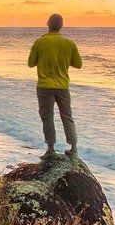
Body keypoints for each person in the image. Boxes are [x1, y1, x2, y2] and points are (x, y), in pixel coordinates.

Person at [27, 13, 82, 158]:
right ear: (61, 26)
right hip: (63, 86)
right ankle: (74, 147)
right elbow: (78, 64)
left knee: (47, 117)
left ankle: (51, 148)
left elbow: (31, 63)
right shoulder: (69, 43)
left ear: (47, 24)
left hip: (45, 86)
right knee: (67, 116)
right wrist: (62, 60)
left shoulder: (40, 42)